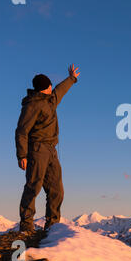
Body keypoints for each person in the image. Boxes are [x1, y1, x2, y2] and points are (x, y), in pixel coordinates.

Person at [15, 64, 80, 232]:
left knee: (56, 189)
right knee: (33, 186)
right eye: (50, 85)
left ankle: (52, 225)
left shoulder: (51, 100)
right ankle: (27, 225)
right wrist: (22, 155)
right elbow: (22, 130)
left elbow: (61, 90)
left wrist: (72, 78)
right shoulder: (32, 105)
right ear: (45, 88)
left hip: (51, 150)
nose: (52, 87)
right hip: (37, 149)